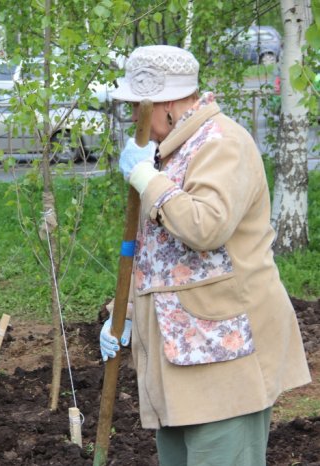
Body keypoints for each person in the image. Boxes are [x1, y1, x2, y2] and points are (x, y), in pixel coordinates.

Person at [99, 45, 311, 466]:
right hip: (178, 359)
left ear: (167, 103)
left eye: (138, 110)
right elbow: (159, 254)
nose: (134, 122)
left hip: (225, 360)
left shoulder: (222, 143)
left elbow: (205, 228)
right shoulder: (170, 150)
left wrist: (147, 178)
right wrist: (122, 317)